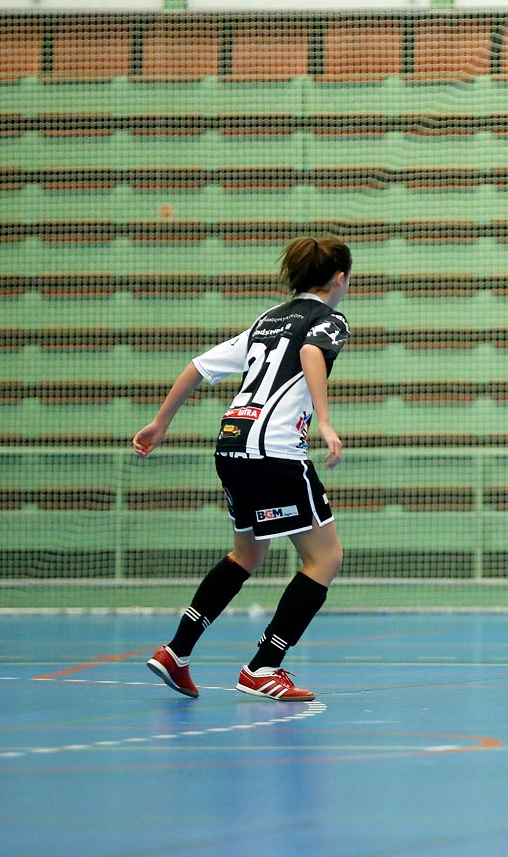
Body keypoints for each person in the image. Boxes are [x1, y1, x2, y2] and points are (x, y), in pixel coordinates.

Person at [136, 236, 353, 703]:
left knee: (248, 555)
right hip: (274, 450)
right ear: (340, 278)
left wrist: (160, 422)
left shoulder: (267, 320)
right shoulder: (329, 318)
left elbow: (198, 366)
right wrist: (327, 422)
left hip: (232, 443)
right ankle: (263, 666)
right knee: (325, 558)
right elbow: (312, 354)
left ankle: (177, 651)